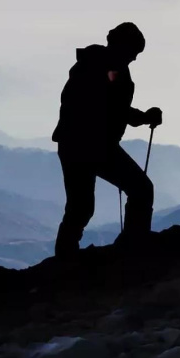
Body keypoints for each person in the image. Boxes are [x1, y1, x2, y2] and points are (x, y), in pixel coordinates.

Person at [52, 22, 162, 259]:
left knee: (80, 208)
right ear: (122, 46)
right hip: (92, 146)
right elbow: (112, 108)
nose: (133, 59)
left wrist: (140, 117)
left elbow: (111, 107)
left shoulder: (94, 65)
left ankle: (65, 259)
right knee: (140, 189)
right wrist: (143, 117)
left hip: (77, 144)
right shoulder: (105, 69)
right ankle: (134, 246)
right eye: (133, 53)